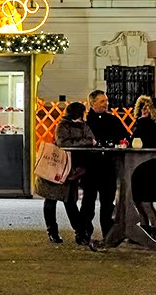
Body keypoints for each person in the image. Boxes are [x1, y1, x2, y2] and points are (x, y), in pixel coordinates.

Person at [39, 101, 96, 247]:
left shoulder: (84, 125)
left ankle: (80, 232)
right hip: (57, 166)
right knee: (51, 201)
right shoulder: (62, 125)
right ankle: (53, 231)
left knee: (70, 201)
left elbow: (90, 139)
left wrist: (85, 142)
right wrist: (86, 142)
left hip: (73, 169)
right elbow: (63, 143)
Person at [78, 89, 128, 239]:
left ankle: (109, 233)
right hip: (91, 167)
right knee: (88, 202)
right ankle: (84, 232)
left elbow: (125, 137)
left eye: (106, 101)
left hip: (108, 167)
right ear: (92, 103)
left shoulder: (113, 120)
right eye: (102, 101)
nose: (106, 104)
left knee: (108, 202)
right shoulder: (86, 122)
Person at [129, 96, 156, 243]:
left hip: (150, 168)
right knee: (137, 201)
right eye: (143, 108)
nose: (144, 111)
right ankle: (143, 231)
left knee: (146, 202)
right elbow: (134, 142)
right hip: (137, 168)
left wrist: (143, 122)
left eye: (148, 108)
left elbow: (151, 143)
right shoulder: (139, 124)